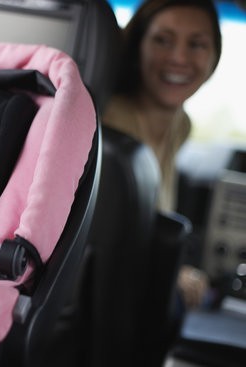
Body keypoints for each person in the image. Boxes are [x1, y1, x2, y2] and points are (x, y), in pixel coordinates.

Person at [102, 0, 222, 310]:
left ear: (214, 57)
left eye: (197, 44)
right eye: (162, 40)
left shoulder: (181, 126)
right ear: (138, 45)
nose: (179, 57)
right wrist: (173, 274)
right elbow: (112, 250)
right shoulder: (110, 130)